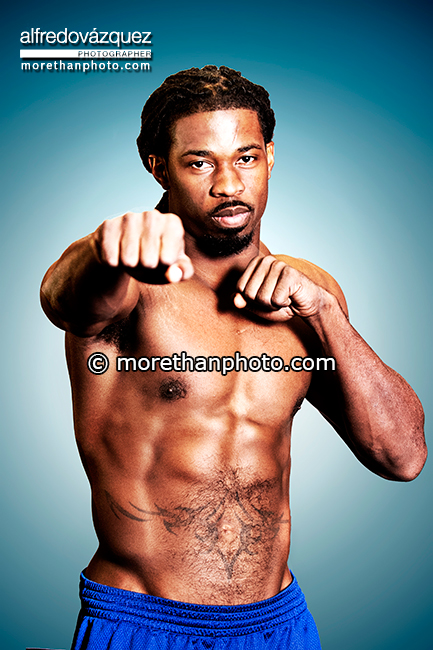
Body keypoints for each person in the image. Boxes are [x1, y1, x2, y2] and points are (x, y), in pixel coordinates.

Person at [40, 65, 427, 650]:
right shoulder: (126, 278)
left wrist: (326, 315)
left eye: (245, 157)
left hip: (279, 623)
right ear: (159, 167)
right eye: (200, 163)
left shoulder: (308, 291)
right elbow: (66, 299)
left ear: (270, 157)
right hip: (147, 620)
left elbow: (402, 457)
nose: (228, 183)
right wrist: (106, 251)